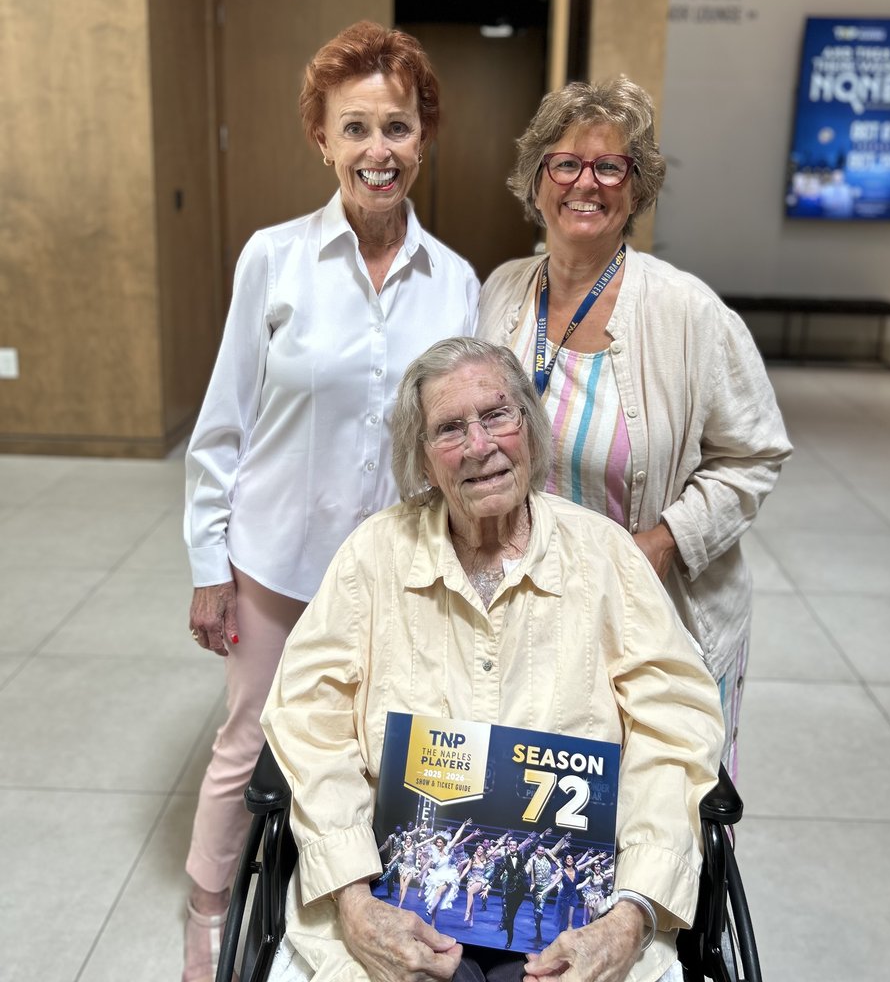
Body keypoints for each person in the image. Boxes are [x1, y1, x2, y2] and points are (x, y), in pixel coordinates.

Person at [261, 337, 724, 982]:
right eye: (450, 428)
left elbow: (675, 731)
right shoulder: (373, 557)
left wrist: (631, 915)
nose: (481, 445)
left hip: (581, 908)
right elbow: (307, 719)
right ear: (421, 457)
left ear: (529, 430)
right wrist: (354, 897)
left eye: (497, 415)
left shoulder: (605, 556)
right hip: (390, 897)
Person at [181, 22, 480, 982]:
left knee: (382, 746)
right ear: (321, 138)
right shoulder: (272, 259)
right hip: (275, 558)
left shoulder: (457, 283)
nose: (376, 151)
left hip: (396, 569)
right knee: (248, 739)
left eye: (396, 126)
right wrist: (207, 567)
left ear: (423, 136)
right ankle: (207, 920)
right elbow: (222, 425)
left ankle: (356, 910)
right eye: (355, 128)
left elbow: (459, 441)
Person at [478, 78, 791, 773]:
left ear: (635, 187)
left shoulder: (688, 313)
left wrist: (667, 541)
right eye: (565, 163)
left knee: (661, 812)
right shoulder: (501, 291)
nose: (585, 183)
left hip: (652, 615)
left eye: (609, 166)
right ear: (536, 182)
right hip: (534, 611)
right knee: (551, 812)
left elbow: (755, 454)